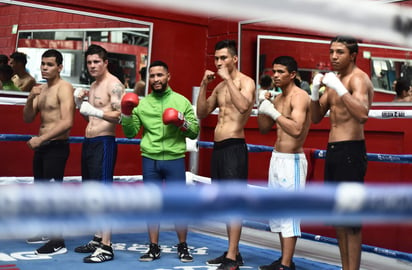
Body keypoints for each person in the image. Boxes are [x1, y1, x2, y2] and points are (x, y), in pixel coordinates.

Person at [121, 60, 199, 263]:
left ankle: (182, 246)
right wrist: (126, 114)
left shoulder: (181, 101)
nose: (156, 79)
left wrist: (181, 120)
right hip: (150, 160)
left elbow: (194, 131)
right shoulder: (142, 104)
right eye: (152, 76)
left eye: (159, 75)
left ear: (168, 76)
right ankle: (153, 247)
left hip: (174, 159)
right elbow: (130, 133)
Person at [310, 36, 374, 270]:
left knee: (352, 221)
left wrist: (339, 89)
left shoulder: (359, 79)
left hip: (351, 151)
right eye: (331, 52)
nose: (334, 57)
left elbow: (362, 113)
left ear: (353, 55)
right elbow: (316, 118)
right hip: (334, 151)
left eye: (340, 52)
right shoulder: (334, 80)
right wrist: (315, 92)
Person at [196, 39, 256, 270]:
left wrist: (228, 79)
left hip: (234, 146)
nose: (219, 62)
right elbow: (202, 112)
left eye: (223, 58)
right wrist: (203, 85)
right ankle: (234, 252)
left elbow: (243, 107)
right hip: (218, 147)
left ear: (234, 59)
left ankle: (232, 258)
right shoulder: (220, 87)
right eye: (216, 58)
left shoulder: (245, 82)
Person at [257, 56, 311, 270]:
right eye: (274, 71)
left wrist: (274, 112)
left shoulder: (300, 97)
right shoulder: (278, 99)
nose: (276, 76)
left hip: (293, 162)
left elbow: (296, 129)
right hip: (276, 158)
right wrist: (264, 105)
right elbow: (263, 128)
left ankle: (286, 264)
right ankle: (283, 260)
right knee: (278, 214)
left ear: (293, 74)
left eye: (280, 72)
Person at [73, 44, 125, 263]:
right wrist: (79, 104)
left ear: (105, 63)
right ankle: (97, 237)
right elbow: (91, 118)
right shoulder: (93, 86)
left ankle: (107, 246)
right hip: (89, 142)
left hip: (104, 142)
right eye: (89, 62)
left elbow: (119, 116)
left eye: (96, 62)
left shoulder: (114, 85)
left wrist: (93, 110)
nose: (92, 66)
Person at [22, 49, 75, 255]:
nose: (45, 67)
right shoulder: (41, 90)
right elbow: (28, 118)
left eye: (50, 64)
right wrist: (29, 97)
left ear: (59, 67)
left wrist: (41, 139)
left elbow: (67, 122)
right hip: (42, 147)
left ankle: (57, 240)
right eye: (43, 64)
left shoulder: (64, 88)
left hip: (56, 147)